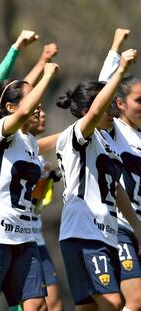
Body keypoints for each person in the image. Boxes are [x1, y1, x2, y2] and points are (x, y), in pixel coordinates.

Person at [0, 60, 59, 311]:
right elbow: (24, 113)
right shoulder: (0, 132)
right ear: (10, 107)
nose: (37, 107)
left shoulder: (31, 143)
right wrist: (46, 75)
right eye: (30, 100)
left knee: (38, 305)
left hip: (24, 237)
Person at [56, 48, 141, 310]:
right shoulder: (78, 134)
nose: (113, 111)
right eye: (107, 106)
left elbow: (117, 191)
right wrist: (121, 71)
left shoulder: (108, 146)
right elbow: (93, 114)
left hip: (101, 232)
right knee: (115, 302)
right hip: (84, 231)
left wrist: (138, 230)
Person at [98, 28, 141, 311]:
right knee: (134, 300)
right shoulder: (115, 132)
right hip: (122, 227)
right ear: (120, 103)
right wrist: (116, 49)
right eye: (139, 101)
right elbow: (101, 90)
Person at [29, 109, 63, 311]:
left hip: (36, 236)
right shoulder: (15, 146)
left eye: (43, 109)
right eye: (36, 109)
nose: (42, 114)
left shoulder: (39, 157)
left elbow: (36, 203)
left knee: (54, 304)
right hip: (14, 238)